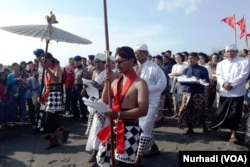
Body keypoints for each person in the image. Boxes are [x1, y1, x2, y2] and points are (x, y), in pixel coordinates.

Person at [96, 46, 149, 167]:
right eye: (116, 62)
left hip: (130, 128)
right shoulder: (115, 81)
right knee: (106, 162)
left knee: (122, 164)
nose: (117, 65)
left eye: (120, 62)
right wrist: (107, 82)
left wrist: (119, 114)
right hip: (114, 126)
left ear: (131, 61)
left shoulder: (140, 84)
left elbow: (143, 110)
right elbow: (104, 101)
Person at [134, 44, 167, 165]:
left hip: (150, 103)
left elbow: (162, 84)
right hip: (136, 102)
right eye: (135, 53)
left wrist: (146, 90)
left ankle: (138, 158)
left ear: (146, 53)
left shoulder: (155, 68)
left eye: (139, 52)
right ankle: (154, 148)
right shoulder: (134, 68)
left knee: (145, 127)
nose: (137, 55)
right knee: (141, 127)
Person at [209, 44, 250, 142]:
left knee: (235, 113)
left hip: (237, 92)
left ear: (236, 51)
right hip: (224, 92)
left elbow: (244, 76)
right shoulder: (221, 63)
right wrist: (224, 84)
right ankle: (224, 129)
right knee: (223, 112)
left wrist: (232, 85)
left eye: (232, 51)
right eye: (227, 51)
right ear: (225, 53)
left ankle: (233, 132)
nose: (229, 53)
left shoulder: (244, 61)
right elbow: (219, 75)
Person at [40, 53, 69, 149]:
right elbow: (45, 85)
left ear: (50, 59)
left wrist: (47, 69)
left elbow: (56, 80)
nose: (44, 62)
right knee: (47, 119)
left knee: (49, 119)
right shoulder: (45, 71)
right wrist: (42, 95)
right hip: (47, 95)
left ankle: (55, 138)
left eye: (45, 60)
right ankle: (58, 135)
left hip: (55, 95)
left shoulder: (57, 68)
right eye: (43, 60)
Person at [177, 52, 210, 134]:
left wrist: (198, 81)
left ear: (197, 59)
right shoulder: (186, 70)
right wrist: (183, 80)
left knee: (200, 110)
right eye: (189, 58)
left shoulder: (202, 69)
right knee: (186, 111)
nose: (190, 60)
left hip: (198, 93)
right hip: (186, 93)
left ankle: (204, 127)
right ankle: (190, 128)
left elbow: (207, 81)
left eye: (192, 58)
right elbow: (182, 81)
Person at [84, 53, 108, 163]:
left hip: (104, 101)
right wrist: (87, 86)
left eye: (99, 61)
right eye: (96, 61)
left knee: (100, 126)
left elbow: (110, 87)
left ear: (104, 63)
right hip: (94, 100)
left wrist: (100, 87)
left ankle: (96, 151)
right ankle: (95, 149)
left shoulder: (108, 73)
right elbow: (93, 86)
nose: (96, 63)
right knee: (95, 127)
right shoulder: (94, 72)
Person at [169, 52, 188, 118]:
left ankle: (181, 113)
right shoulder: (174, 66)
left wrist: (180, 75)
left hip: (182, 84)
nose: (177, 59)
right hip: (175, 84)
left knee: (181, 100)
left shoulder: (185, 66)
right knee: (175, 100)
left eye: (178, 57)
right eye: (176, 58)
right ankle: (176, 112)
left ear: (182, 58)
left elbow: (187, 75)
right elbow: (172, 75)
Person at [71, 55, 88, 120]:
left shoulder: (84, 69)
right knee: (73, 101)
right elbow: (75, 79)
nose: (75, 63)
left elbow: (85, 80)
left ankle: (84, 115)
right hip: (75, 86)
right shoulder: (75, 70)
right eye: (74, 62)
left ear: (80, 61)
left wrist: (84, 89)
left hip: (81, 86)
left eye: (76, 61)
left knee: (82, 102)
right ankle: (76, 114)